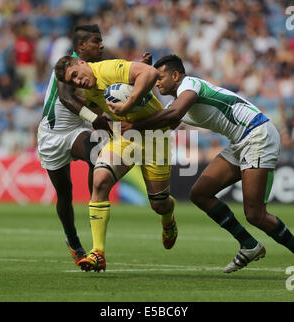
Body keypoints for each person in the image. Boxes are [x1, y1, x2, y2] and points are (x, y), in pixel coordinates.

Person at [109, 54, 294, 273]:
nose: (156, 82)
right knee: (200, 193)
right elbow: (162, 124)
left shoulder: (190, 84)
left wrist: (135, 126)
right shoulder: (175, 102)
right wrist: (133, 85)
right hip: (241, 141)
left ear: (176, 75)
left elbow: (172, 115)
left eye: (159, 77)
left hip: (257, 133)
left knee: (255, 214)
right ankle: (249, 245)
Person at [54, 55, 177, 272]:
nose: (77, 82)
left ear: (82, 64)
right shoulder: (88, 90)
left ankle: (168, 218)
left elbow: (151, 73)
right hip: (126, 138)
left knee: (159, 204)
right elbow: (100, 108)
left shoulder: (108, 69)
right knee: (100, 180)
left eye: (75, 75)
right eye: (72, 82)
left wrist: (128, 102)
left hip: (156, 138)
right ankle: (97, 252)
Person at [37, 25, 114, 266]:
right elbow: (66, 98)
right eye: (95, 41)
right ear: (81, 47)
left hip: (75, 131)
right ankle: (72, 239)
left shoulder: (96, 68)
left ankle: (96, 202)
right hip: (51, 135)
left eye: (100, 41)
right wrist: (96, 119)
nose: (101, 45)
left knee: (98, 156)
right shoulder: (67, 64)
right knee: (64, 193)